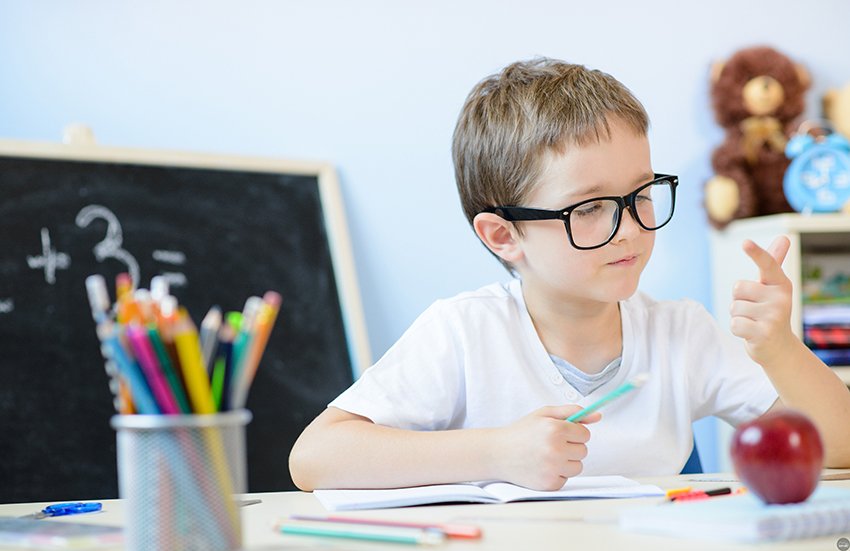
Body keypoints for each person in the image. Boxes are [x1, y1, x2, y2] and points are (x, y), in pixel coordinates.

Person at [289, 58, 850, 491]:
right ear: (504, 236)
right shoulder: (464, 332)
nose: (629, 228)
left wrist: (778, 348)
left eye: (641, 194)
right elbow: (314, 457)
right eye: (588, 209)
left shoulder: (682, 334)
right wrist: (497, 453)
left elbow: (840, 447)